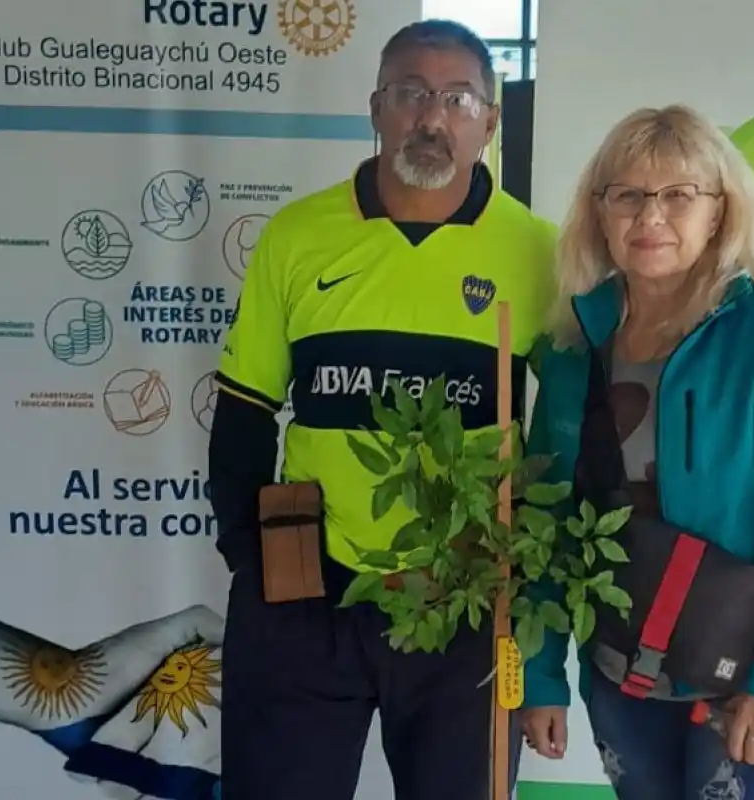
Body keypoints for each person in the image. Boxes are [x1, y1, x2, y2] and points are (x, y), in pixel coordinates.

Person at [208, 19, 557, 800]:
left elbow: (565, 435)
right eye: (411, 94)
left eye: (458, 97)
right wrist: (251, 561)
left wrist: (521, 584)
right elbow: (243, 412)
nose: (432, 118)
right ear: (375, 107)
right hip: (306, 593)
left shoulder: (538, 253)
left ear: (489, 121)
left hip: (467, 598)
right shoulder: (299, 236)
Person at [517, 105, 754, 800]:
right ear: (600, 212)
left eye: (679, 195)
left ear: (719, 214)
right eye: (629, 195)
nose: (651, 216)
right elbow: (543, 521)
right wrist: (542, 675)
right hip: (624, 678)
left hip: (750, 688)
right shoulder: (570, 349)